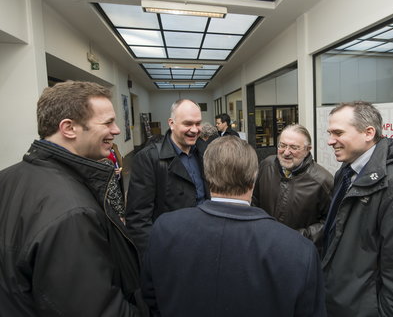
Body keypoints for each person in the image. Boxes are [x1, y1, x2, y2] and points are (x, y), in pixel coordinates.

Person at [0, 81, 148, 316]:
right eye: (108, 122)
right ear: (69, 128)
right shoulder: (73, 212)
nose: (117, 130)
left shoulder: (8, 177)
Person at [141, 136, 326, 317]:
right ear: (254, 178)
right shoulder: (298, 250)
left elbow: (151, 297)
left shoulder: (165, 229)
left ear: (206, 175)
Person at [323, 101, 393, 317]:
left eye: (338, 133)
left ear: (368, 133)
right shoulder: (347, 172)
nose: (330, 141)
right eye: (330, 133)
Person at [126, 99, 208, 255]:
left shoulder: (204, 152)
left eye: (198, 123)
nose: (195, 129)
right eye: (188, 124)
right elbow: (138, 219)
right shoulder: (149, 158)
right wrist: (154, 257)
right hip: (171, 248)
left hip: (204, 241)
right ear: (171, 123)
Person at [253, 124, 333, 250]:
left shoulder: (322, 180)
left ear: (308, 149)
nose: (286, 152)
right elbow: (254, 201)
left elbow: (330, 223)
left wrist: (296, 237)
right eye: (282, 145)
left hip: (299, 251)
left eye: (294, 148)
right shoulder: (266, 165)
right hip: (263, 245)